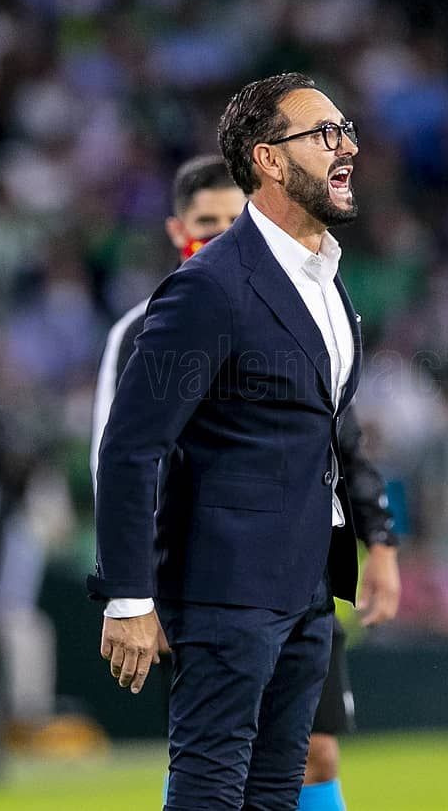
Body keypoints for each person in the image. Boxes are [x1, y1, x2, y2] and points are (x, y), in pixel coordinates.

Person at [90, 72, 372, 810]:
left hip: (306, 590)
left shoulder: (328, 281)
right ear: (269, 160)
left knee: (276, 795)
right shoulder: (210, 286)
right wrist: (128, 596)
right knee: (211, 790)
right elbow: (131, 447)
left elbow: (326, 434)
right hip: (224, 590)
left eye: (346, 131)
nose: (346, 148)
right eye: (325, 134)